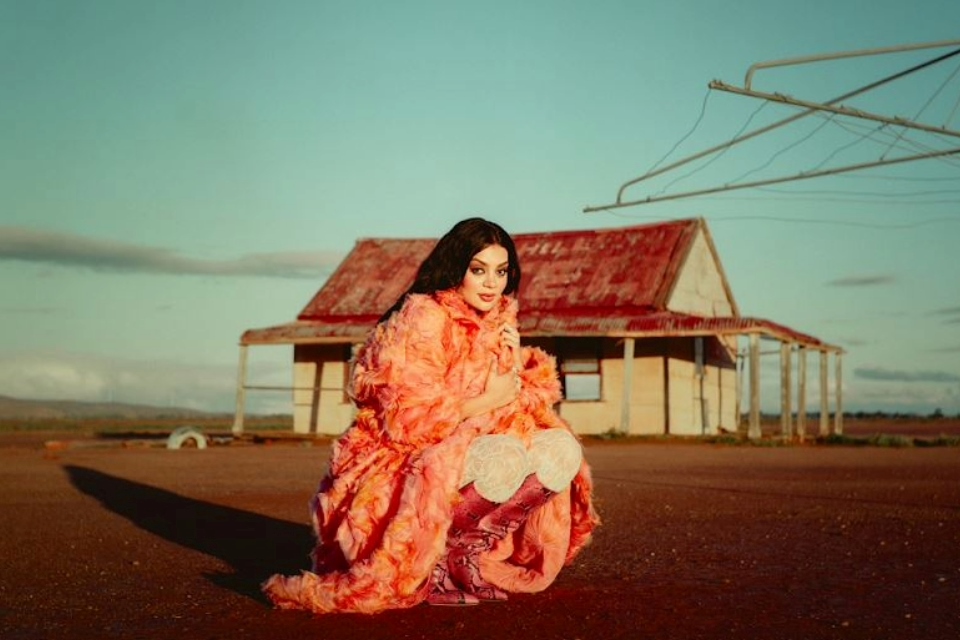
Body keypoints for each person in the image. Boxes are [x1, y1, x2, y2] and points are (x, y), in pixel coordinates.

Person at [262, 217, 598, 613]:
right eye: (479, 270)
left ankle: (467, 551)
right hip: (396, 462)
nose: (492, 283)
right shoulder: (421, 317)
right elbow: (408, 420)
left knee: (560, 449)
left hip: (465, 443)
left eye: (501, 271)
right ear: (457, 268)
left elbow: (517, 406)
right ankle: (435, 559)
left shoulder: (498, 322)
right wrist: (491, 398)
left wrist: (513, 360)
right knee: (505, 455)